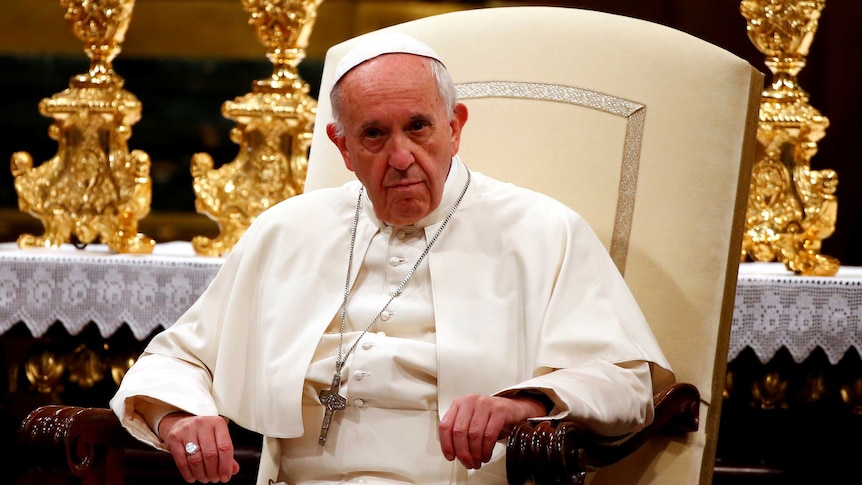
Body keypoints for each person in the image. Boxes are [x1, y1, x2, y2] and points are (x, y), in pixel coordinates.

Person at [110, 32, 674, 485]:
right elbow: (178, 359)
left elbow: (628, 382)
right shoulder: (287, 230)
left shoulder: (542, 229)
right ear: (343, 147)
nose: (401, 157)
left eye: (419, 127)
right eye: (374, 134)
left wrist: (524, 403)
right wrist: (180, 416)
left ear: (455, 128)